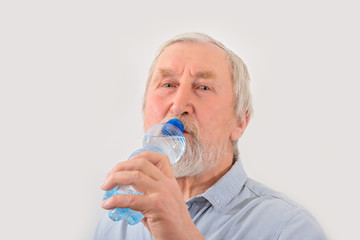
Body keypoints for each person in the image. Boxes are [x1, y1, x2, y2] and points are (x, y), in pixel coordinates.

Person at [94, 32, 326, 240]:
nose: (178, 105)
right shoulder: (116, 224)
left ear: (240, 121)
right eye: (168, 84)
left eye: (203, 87)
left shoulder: (288, 228)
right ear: (145, 109)